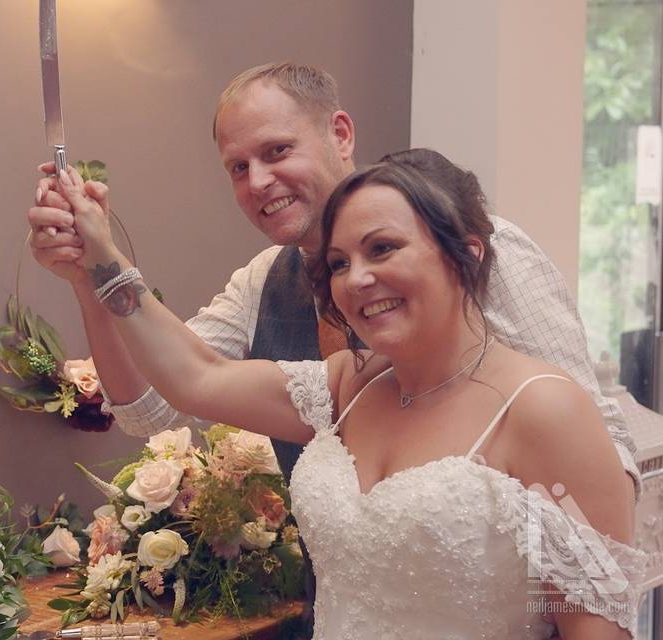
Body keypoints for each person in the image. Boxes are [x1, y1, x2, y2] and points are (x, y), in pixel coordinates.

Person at [49, 149, 646, 638]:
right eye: (339, 262)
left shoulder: (544, 408)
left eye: (383, 249)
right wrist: (98, 260)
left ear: (466, 252)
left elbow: (595, 630)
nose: (357, 279)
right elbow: (194, 377)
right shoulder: (347, 385)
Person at [27, 63, 640, 502]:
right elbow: (151, 406)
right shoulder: (264, 283)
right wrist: (89, 277)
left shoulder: (476, 250)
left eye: (276, 151)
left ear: (340, 135)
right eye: (238, 168)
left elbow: (602, 450)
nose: (258, 181)